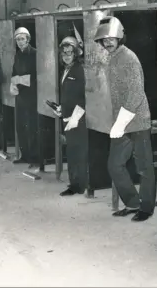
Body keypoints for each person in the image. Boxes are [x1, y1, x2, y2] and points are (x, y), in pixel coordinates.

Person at [94, 17, 156, 222]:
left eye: (111, 38)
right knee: (114, 164)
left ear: (120, 36)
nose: (108, 42)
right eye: (104, 40)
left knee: (144, 168)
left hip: (137, 120)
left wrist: (121, 122)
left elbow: (136, 93)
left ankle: (146, 207)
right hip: (122, 121)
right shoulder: (112, 58)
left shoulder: (129, 58)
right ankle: (132, 202)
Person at [49, 36, 88, 196]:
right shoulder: (66, 70)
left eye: (69, 52)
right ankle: (74, 184)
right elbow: (68, 96)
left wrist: (75, 117)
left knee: (79, 154)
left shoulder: (79, 70)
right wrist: (60, 109)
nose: (66, 55)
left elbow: (85, 97)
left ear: (76, 53)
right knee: (72, 153)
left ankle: (79, 185)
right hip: (68, 117)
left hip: (78, 118)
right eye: (64, 53)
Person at [10, 27, 39, 168]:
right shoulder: (17, 55)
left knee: (32, 127)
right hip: (20, 96)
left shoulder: (34, 54)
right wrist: (13, 83)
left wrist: (18, 80)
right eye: (17, 40)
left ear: (28, 39)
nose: (20, 42)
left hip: (31, 96)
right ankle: (25, 155)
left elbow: (34, 77)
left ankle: (34, 158)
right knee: (21, 126)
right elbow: (14, 73)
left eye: (22, 39)